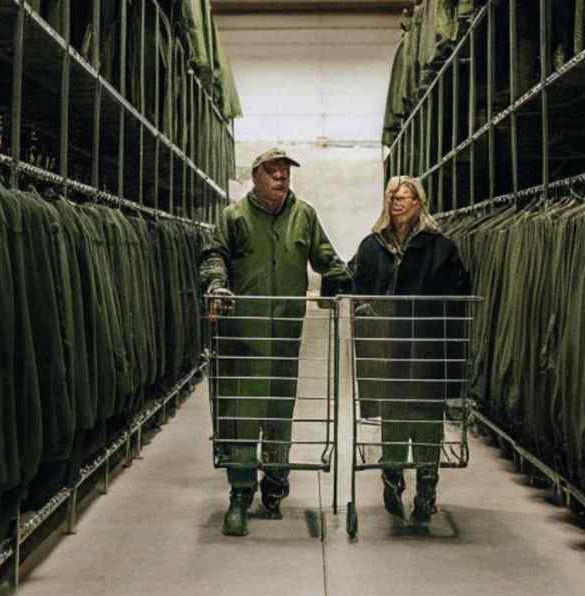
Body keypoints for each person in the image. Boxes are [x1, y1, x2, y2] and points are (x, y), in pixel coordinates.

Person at [199, 148, 351, 537]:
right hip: (243, 337)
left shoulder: (305, 215)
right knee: (244, 416)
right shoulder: (233, 217)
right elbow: (214, 255)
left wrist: (342, 279)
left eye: (285, 170)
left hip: (285, 334)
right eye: (273, 170)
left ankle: (276, 484)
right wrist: (217, 285)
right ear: (255, 176)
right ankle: (239, 493)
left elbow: (324, 256)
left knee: (280, 413)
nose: (281, 176)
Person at [347, 175, 471, 525]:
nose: (397, 203)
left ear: (420, 203)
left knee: (427, 419)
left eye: (405, 197)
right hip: (388, 348)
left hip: (426, 348)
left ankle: (427, 490)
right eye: (392, 197)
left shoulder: (440, 248)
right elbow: (356, 282)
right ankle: (392, 478)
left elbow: (458, 296)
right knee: (395, 417)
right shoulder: (372, 246)